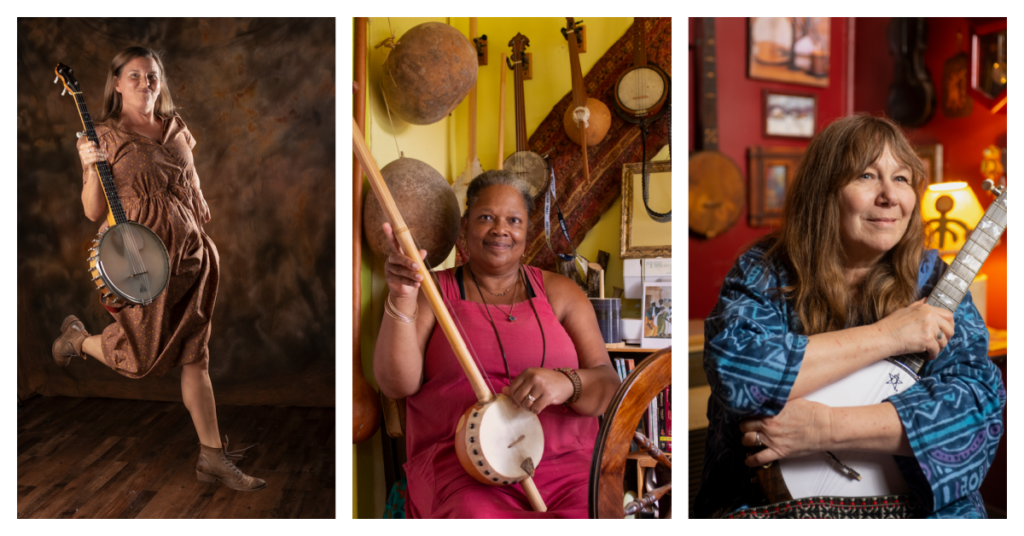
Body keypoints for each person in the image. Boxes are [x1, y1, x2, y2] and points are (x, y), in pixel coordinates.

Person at [695, 115, 1004, 518]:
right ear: (824, 192)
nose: (890, 196)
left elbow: (976, 413)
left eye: (902, 178)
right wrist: (889, 336)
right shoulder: (763, 270)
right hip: (772, 503)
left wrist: (825, 428)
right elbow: (742, 377)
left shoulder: (932, 279)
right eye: (866, 175)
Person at [51, 46, 264, 492]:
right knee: (140, 357)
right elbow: (92, 211)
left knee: (195, 358)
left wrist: (197, 204)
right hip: (142, 264)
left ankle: (212, 458)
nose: (146, 84)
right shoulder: (101, 137)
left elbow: (190, 177)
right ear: (116, 84)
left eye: (152, 76)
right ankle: (79, 340)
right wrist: (90, 169)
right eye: (135, 76)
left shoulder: (176, 128)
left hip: (194, 258)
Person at [375, 170, 622, 518]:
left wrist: (567, 382)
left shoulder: (561, 293)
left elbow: (609, 386)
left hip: (565, 467)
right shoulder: (431, 292)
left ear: (526, 231)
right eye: (486, 217)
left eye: (513, 220)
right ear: (465, 225)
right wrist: (402, 297)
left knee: (593, 512)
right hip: (464, 470)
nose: (500, 229)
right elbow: (395, 384)